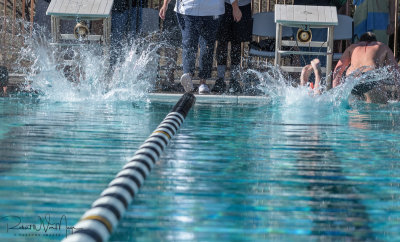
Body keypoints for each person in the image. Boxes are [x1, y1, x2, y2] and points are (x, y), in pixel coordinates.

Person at [159, 0, 241, 94]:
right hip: (187, 9)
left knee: (206, 46)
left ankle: (203, 81)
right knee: (189, 43)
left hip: (212, 10)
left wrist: (235, 6)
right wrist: (165, 4)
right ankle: (188, 75)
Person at [332, 32, 399, 103]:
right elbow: (395, 70)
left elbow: (338, 70)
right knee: (381, 107)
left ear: (360, 41)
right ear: (375, 40)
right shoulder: (382, 46)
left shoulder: (352, 47)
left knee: (354, 111)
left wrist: (336, 93)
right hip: (370, 80)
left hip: (352, 81)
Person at [213, 0, 252, 94]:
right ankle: (220, 79)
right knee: (222, 42)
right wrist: (235, 7)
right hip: (225, 5)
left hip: (244, 4)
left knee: (237, 43)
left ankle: (234, 79)